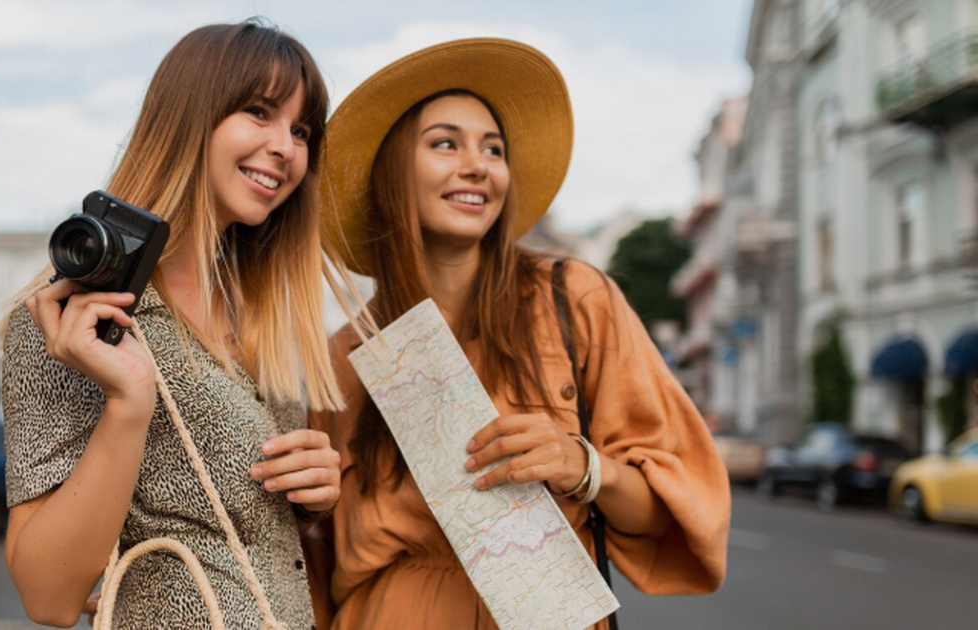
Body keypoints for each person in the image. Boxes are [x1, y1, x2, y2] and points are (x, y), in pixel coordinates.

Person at [302, 39, 731, 630]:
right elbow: (313, 562)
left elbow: (673, 512)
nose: (477, 165)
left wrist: (584, 466)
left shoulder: (574, 298)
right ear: (391, 170)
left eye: (493, 149)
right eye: (445, 143)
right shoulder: (347, 355)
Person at [0, 21, 347, 630]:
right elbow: (47, 597)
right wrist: (128, 404)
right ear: (190, 117)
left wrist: (313, 491)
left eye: (301, 130)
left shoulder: (254, 314)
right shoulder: (74, 313)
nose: (286, 148)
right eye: (259, 112)